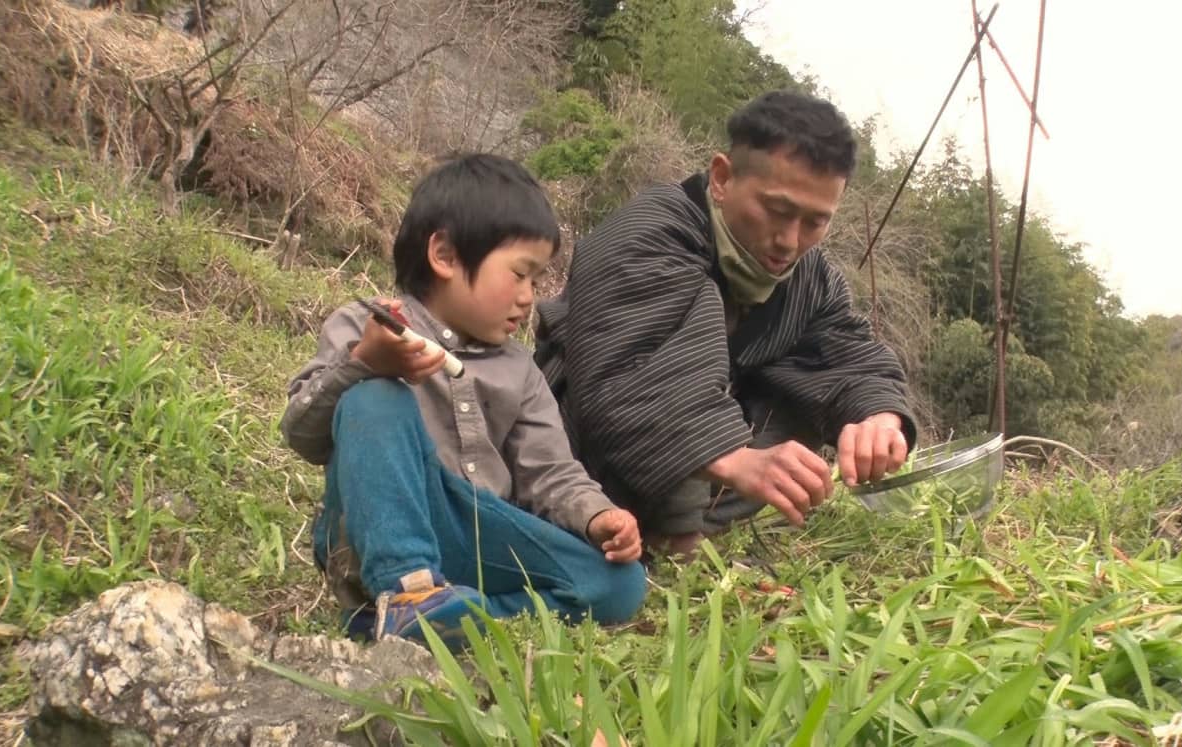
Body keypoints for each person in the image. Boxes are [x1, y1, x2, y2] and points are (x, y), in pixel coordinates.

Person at [281, 154, 647, 647]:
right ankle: (407, 591)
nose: (529, 298)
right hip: (381, 527)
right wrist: (365, 363)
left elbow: (550, 472)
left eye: (537, 282)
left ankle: (458, 617)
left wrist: (597, 515)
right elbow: (301, 432)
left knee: (622, 584)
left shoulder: (520, 369)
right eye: (520, 274)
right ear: (446, 256)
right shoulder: (368, 328)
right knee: (373, 397)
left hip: (481, 534)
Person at [535, 90, 918, 555]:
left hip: (699, 478)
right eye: (777, 211)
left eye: (816, 222)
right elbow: (629, 375)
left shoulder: (811, 279)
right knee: (699, 319)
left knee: (809, 387)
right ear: (722, 178)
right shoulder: (647, 234)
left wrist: (878, 416)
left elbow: (844, 352)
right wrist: (733, 457)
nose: (789, 241)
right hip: (583, 454)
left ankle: (691, 528)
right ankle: (671, 538)